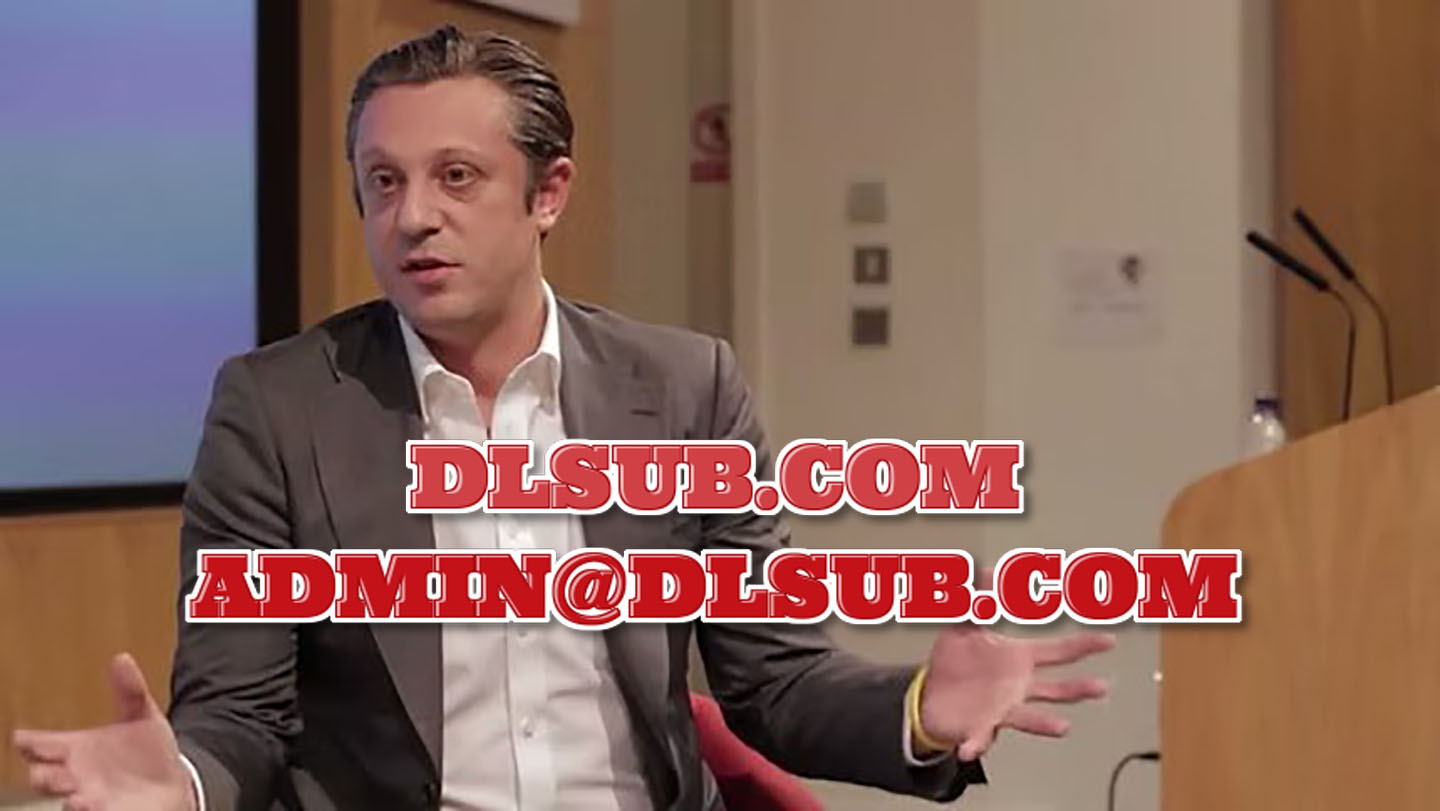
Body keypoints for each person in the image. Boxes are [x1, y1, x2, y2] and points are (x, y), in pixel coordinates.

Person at [12, 27, 1113, 811]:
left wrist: (918, 707)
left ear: (549, 194)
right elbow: (240, 718)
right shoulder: (278, 407)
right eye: (383, 182)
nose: (413, 216)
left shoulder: (682, 390)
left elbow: (774, 679)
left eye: (456, 177)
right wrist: (185, 782)